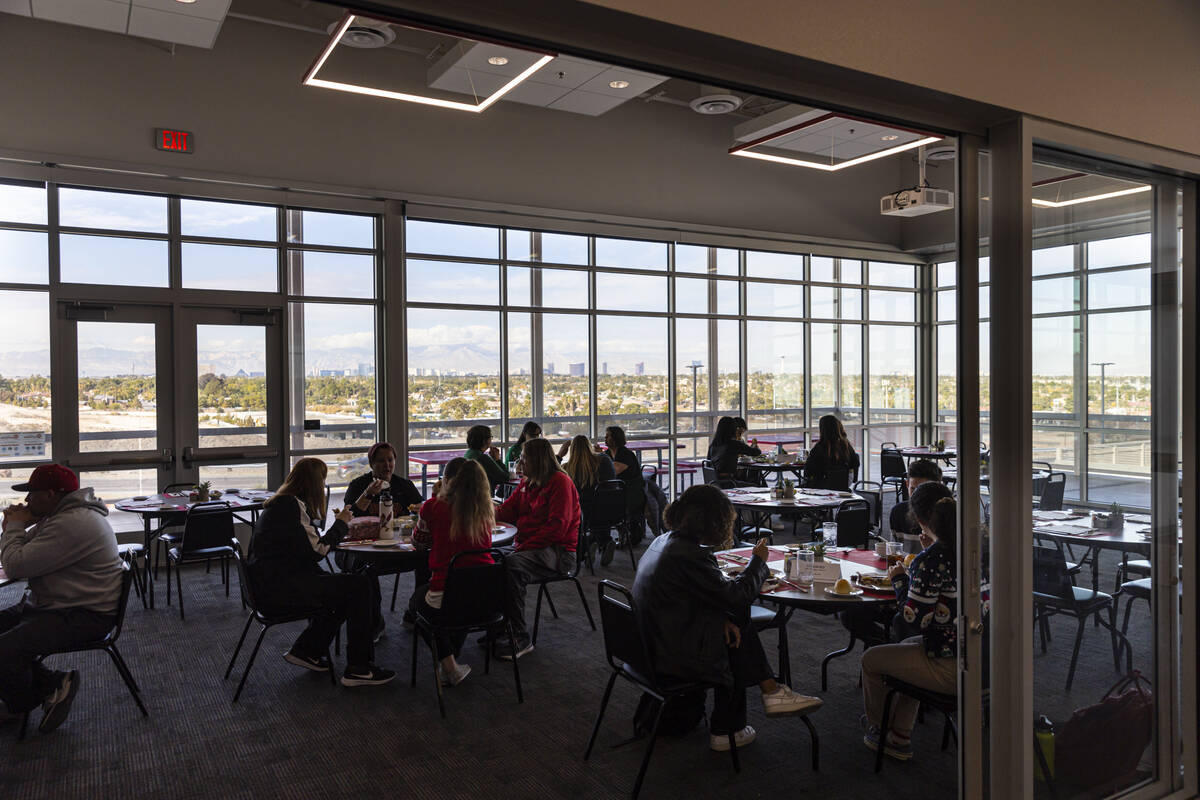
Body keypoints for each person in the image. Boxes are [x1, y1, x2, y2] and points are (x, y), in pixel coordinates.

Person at [633, 484, 822, 752]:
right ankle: (729, 728)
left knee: (730, 622)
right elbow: (737, 595)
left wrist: (719, 618)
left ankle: (770, 692)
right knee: (737, 621)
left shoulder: (664, 542)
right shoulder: (690, 555)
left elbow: (685, 599)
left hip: (650, 646)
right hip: (671, 656)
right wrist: (758, 563)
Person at [246, 457, 394, 687]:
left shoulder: (283, 504)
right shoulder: (291, 507)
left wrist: (364, 497)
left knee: (348, 587)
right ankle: (359, 667)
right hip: (281, 590)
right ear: (315, 483)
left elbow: (312, 545)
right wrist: (340, 525)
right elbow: (319, 550)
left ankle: (308, 649)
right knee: (359, 586)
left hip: (269, 584)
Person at [0, 464, 123, 733]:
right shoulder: (59, 517)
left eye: (32, 493)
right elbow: (21, 553)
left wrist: (15, 526)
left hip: (83, 614)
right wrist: (16, 528)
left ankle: (38, 694)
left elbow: (15, 566)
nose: (27, 500)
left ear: (52, 494)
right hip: (58, 603)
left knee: (5, 650)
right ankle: (45, 686)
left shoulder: (72, 523)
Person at [861, 481, 957, 762]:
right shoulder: (973, 548)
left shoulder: (931, 559)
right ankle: (899, 735)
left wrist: (900, 578)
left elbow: (912, 618)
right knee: (911, 649)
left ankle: (879, 729)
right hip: (986, 658)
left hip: (952, 663)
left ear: (919, 519)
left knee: (872, 660)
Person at [408, 460, 495, 687]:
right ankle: (450, 660)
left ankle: (449, 665)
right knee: (460, 600)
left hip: (449, 591)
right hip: (488, 596)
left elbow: (418, 543)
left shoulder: (433, 507)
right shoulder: (485, 510)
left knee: (417, 604)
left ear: (446, 481)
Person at [493, 438, 581, 660]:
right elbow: (506, 511)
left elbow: (556, 529)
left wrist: (521, 548)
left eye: (523, 457)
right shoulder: (527, 483)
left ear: (537, 460)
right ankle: (502, 626)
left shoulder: (560, 483)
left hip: (559, 553)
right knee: (491, 559)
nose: (520, 462)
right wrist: (482, 513)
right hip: (533, 548)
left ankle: (521, 637)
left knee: (512, 565)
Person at [561, 434, 617, 564]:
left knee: (582, 509)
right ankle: (602, 541)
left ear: (572, 450)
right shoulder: (604, 460)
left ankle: (588, 545)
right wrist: (601, 454)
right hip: (613, 510)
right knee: (600, 505)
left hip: (584, 516)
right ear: (589, 447)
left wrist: (559, 456)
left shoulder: (567, 468)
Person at [344, 442, 422, 518]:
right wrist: (368, 494)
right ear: (371, 464)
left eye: (390, 460)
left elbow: (420, 507)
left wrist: (420, 508)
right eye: (381, 461)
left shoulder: (405, 485)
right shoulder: (357, 485)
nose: (387, 465)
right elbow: (348, 516)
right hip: (367, 530)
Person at [605, 425, 646, 551]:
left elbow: (613, 471)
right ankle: (612, 536)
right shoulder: (607, 453)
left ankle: (619, 534)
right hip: (618, 491)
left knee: (605, 504)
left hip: (632, 491)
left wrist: (600, 458)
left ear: (615, 438)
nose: (605, 438)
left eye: (608, 436)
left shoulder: (625, 454)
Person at [889, 459, 943, 554]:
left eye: (923, 491)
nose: (917, 497)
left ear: (937, 487)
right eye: (913, 489)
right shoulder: (898, 512)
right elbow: (894, 552)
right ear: (907, 484)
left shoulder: (946, 515)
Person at [803, 414, 860, 490]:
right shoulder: (845, 444)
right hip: (844, 483)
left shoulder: (820, 447)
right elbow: (855, 462)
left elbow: (807, 472)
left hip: (823, 484)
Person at [706, 416, 761, 480]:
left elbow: (708, 464)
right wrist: (755, 446)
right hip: (729, 482)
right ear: (733, 429)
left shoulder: (713, 445)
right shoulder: (734, 444)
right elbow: (756, 452)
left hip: (714, 481)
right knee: (755, 480)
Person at [464, 424, 510, 490]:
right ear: (485, 440)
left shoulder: (468, 453)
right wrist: (497, 460)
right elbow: (505, 478)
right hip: (482, 497)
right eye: (490, 437)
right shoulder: (482, 457)